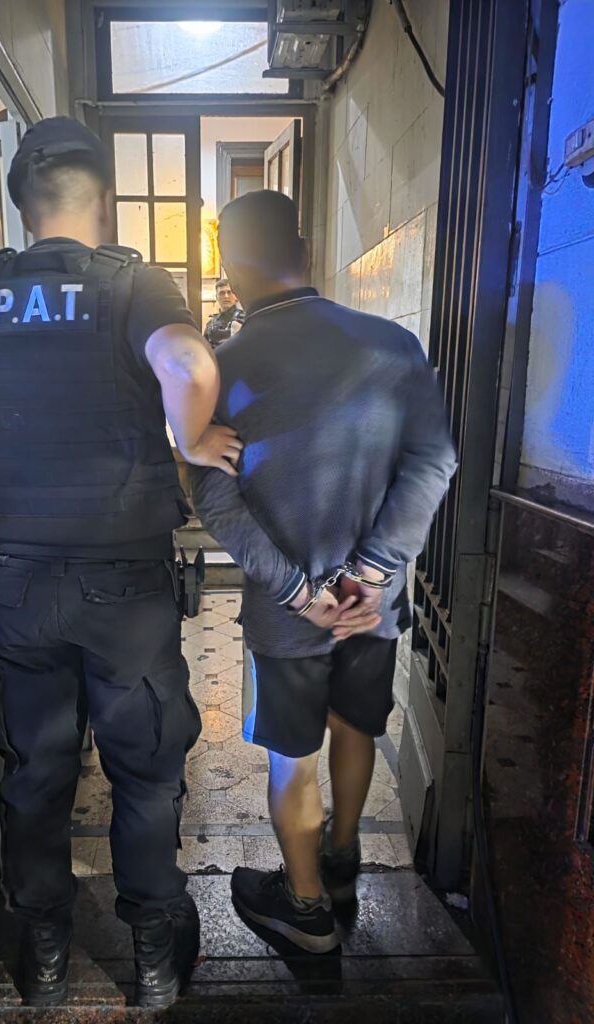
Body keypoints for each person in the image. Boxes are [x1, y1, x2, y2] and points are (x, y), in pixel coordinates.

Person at [0, 116, 242, 1008]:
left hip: (19, 581)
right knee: (146, 768)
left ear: (22, 210)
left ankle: (46, 957)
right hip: (127, 591)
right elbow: (187, 364)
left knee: (35, 772)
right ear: (102, 199)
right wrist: (192, 435)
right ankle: (153, 959)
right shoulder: (133, 286)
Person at [190, 190, 457, 954]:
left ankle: (305, 910)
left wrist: (301, 590)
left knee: (292, 758)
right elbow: (434, 459)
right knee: (356, 724)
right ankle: (342, 859)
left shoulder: (222, 368)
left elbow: (216, 499)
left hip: (288, 613)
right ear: (304, 249)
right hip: (372, 605)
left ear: (231, 269)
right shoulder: (392, 345)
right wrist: (369, 575)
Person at [203, 278, 245, 349]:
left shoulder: (244, 319)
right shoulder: (211, 323)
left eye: (229, 292)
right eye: (222, 293)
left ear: (236, 296)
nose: (226, 296)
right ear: (217, 297)